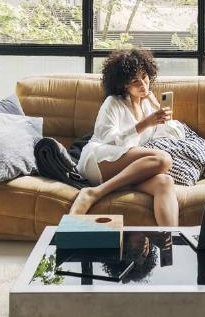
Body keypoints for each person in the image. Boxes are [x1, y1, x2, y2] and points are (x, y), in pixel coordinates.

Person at [69, 48, 182, 226]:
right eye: (135, 81)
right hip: (99, 160)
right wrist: (145, 123)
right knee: (163, 159)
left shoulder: (148, 105)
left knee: (165, 182)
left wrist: (156, 106)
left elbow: (175, 136)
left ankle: (170, 244)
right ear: (123, 84)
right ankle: (95, 192)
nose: (143, 85)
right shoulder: (113, 102)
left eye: (144, 77)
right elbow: (108, 138)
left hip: (129, 170)